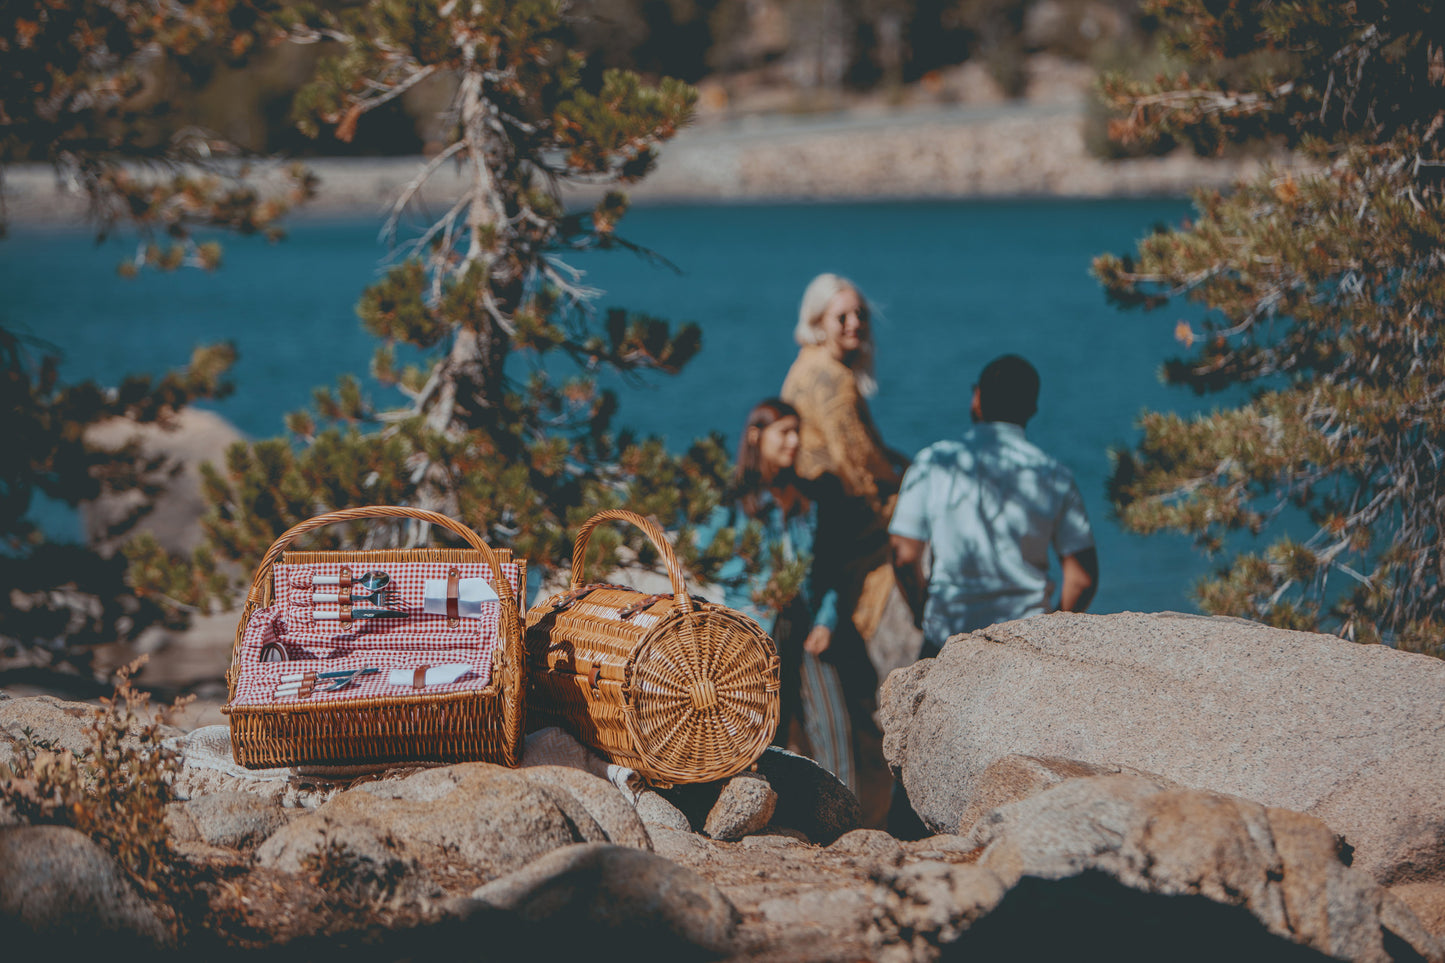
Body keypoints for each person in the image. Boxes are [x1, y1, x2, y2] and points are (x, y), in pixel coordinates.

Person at [780, 273, 905, 825]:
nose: (855, 325)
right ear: (817, 322)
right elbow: (857, 467)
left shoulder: (810, 370)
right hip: (838, 540)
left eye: (860, 316)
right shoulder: (830, 379)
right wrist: (906, 497)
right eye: (843, 317)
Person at [889, 354, 1099, 658]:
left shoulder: (934, 462)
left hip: (948, 640)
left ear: (977, 397)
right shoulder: (1054, 475)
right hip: (1027, 643)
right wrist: (1054, 627)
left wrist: (921, 610)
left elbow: (904, 554)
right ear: (1032, 408)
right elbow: (1082, 578)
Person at [693, 399, 856, 790]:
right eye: (784, 432)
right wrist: (754, 589)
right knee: (765, 732)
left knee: (833, 729)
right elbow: (703, 555)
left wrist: (827, 621)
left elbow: (828, 570)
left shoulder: (808, 500)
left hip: (808, 624)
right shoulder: (732, 499)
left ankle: (844, 819)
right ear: (756, 435)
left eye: (797, 432)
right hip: (758, 628)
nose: (794, 441)